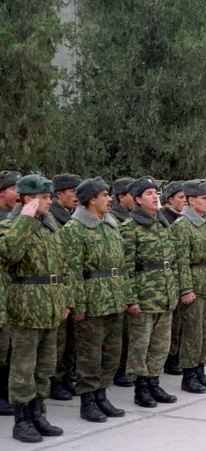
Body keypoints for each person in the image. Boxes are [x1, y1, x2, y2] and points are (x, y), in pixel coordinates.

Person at [0, 175, 68, 442]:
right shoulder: (11, 225)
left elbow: (62, 266)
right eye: (44, 197)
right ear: (28, 198)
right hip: (27, 305)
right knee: (23, 366)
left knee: (45, 366)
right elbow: (9, 254)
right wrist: (25, 219)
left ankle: (38, 412)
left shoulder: (50, 228)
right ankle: (21, 420)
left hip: (50, 304)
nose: (49, 202)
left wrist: (64, 300)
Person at [63, 177, 129, 423]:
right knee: (90, 354)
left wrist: (123, 294)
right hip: (92, 301)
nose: (109, 199)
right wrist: (78, 304)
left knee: (112, 352)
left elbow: (122, 265)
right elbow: (73, 271)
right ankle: (88, 400)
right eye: (104, 195)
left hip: (113, 296)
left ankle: (102, 395)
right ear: (91, 200)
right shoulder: (75, 229)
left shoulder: (109, 225)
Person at [121, 176, 178, 407]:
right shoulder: (130, 229)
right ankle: (141, 388)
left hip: (164, 294)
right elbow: (126, 267)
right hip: (144, 296)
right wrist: (131, 298)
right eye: (148, 194)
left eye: (156, 192)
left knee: (160, 344)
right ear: (136, 199)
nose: (155, 197)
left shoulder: (162, 224)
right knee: (140, 345)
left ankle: (154, 382)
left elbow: (172, 261)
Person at [171, 179, 206, 393]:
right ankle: (189, 374)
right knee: (193, 333)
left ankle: (200, 369)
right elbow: (181, 260)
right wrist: (185, 289)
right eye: (204, 198)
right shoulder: (182, 225)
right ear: (191, 200)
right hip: (195, 284)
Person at [47, 174, 82, 401]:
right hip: (55, 286)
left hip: (70, 283)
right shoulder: (51, 218)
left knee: (71, 338)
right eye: (73, 192)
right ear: (59, 194)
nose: (77, 197)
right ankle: (54, 380)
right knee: (57, 340)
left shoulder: (69, 217)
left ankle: (65, 375)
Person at [109, 177, 135, 388]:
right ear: (121, 197)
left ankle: (125, 367)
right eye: (131, 194)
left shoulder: (132, 219)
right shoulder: (115, 221)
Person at [158, 180, 185, 375]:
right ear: (169, 199)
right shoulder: (164, 219)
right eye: (181, 197)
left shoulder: (183, 219)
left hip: (179, 274)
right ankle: (170, 358)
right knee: (173, 325)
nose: (185, 201)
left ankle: (178, 356)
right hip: (167, 278)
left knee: (183, 323)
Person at [0, 170, 21, 417]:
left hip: (13, 292)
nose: (19, 194)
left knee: (9, 348)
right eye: (14, 188)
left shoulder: (15, 219)